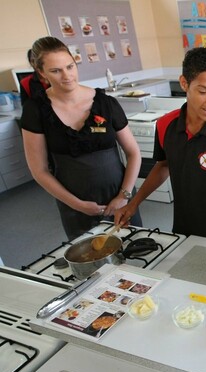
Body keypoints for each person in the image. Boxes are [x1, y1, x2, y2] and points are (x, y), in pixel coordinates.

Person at [114, 47, 206, 285]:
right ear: (184, 83)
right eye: (203, 91)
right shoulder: (165, 125)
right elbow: (163, 166)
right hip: (183, 231)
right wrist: (134, 203)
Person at [20, 36, 142, 240]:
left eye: (70, 66)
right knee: (90, 259)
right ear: (41, 73)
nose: (66, 76)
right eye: (56, 71)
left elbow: (133, 153)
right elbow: (39, 170)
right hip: (74, 204)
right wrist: (77, 205)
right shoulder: (35, 111)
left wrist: (124, 196)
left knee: (134, 248)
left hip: (120, 197)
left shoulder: (106, 103)